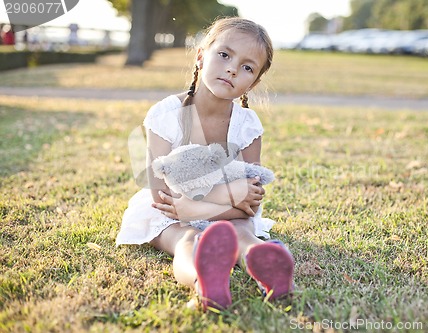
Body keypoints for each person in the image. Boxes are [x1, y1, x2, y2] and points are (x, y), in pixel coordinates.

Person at [116, 17, 294, 311]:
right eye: (224, 55)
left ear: (254, 81)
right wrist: (222, 196)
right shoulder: (167, 114)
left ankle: (266, 264)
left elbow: (251, 200)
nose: (232, 69)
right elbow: (160, 194)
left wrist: (205, 207)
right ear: (201, 56)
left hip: (228, 214)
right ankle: (204, 282)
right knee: (187, 238)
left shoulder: (247, 126)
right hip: (171, 212)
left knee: (242, 230)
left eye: (247, 67)